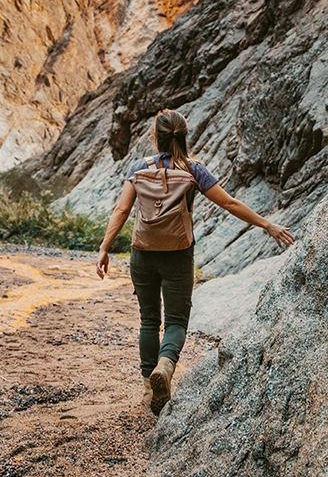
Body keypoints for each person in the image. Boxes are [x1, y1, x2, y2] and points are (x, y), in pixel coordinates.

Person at [96, 109, 294, 415]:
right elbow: (229, 203)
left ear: (156, 136)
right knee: (176, 321)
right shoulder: (193, 170)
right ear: (185, 136)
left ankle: (149, 389)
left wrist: (104, 248)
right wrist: (267, 224)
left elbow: (121, 211)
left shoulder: (138, 168)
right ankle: (165, 365)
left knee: (149, 320)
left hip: (142, 255)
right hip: (177, 255)